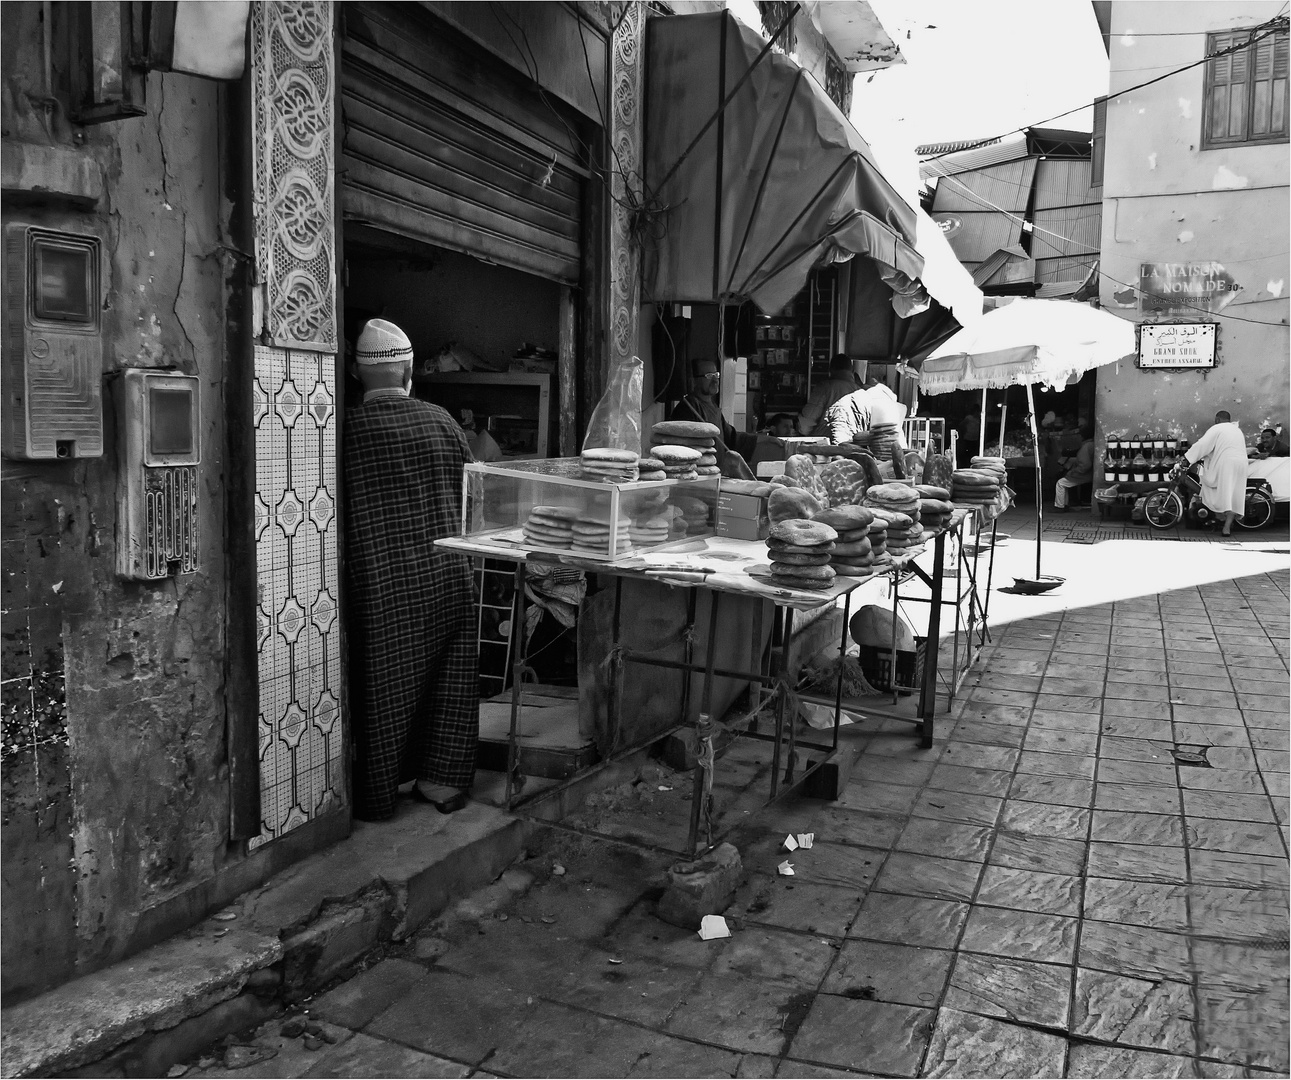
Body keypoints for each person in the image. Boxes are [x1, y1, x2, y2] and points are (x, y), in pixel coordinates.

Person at [343, 318, 478, 819]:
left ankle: (378, 793)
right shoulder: (443, 422)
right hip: (447, 575)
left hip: (380, 585)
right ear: (407, 370)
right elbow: (472, 497)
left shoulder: (346, 429)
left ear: (358, 374)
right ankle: (442, 783)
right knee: (450, 681)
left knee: (384, 685)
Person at [670, 358, 760, 474]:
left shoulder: (713, 406)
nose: (715, 380)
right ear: (694, 380)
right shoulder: (689, 407)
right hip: (698, 478)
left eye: (716, 375)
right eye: (708, 376)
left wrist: (765, 440)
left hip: (715, 476)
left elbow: (731, 438)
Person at [1178, 410, 1247, 536]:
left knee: (1224, 492)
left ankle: (1219, 517)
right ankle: (1226, 527)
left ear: (1217, 419)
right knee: (1234, 494)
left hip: (1227, 463)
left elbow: (1203, 445)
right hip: (1241, 463)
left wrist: (1187, 459)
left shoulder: (1217, 428)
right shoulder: (1237, 430)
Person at [795, 354, 858, 436]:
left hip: (828, 444)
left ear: (831, 370)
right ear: (852, 371)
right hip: (854, 444)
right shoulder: (861, 392)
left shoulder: (824, 388)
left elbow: (806, 424)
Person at [1053, 422, 1095, 511]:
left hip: (1084, 474)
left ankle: (1060, 506)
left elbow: (1085, 465)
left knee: (1060, 483)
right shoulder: (1091, 444)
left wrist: (1074, 472)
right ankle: (1064, 504)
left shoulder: (1086, 447)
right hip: (1088, 472)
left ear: (1082, 436)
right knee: (1064, 483)